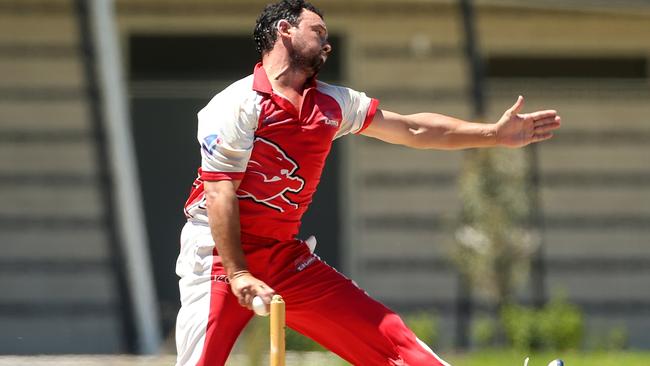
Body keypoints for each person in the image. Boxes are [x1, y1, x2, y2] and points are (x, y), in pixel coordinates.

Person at [174, 1, 561, 365]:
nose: (327, 43)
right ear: (285, 29)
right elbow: (219, 189)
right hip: (219, 255)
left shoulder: (333, 103)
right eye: (318, 31)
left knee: (390, 336)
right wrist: (239, 272)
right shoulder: (236, 104)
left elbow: (412, 127)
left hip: (283, 256)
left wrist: (494, 134)